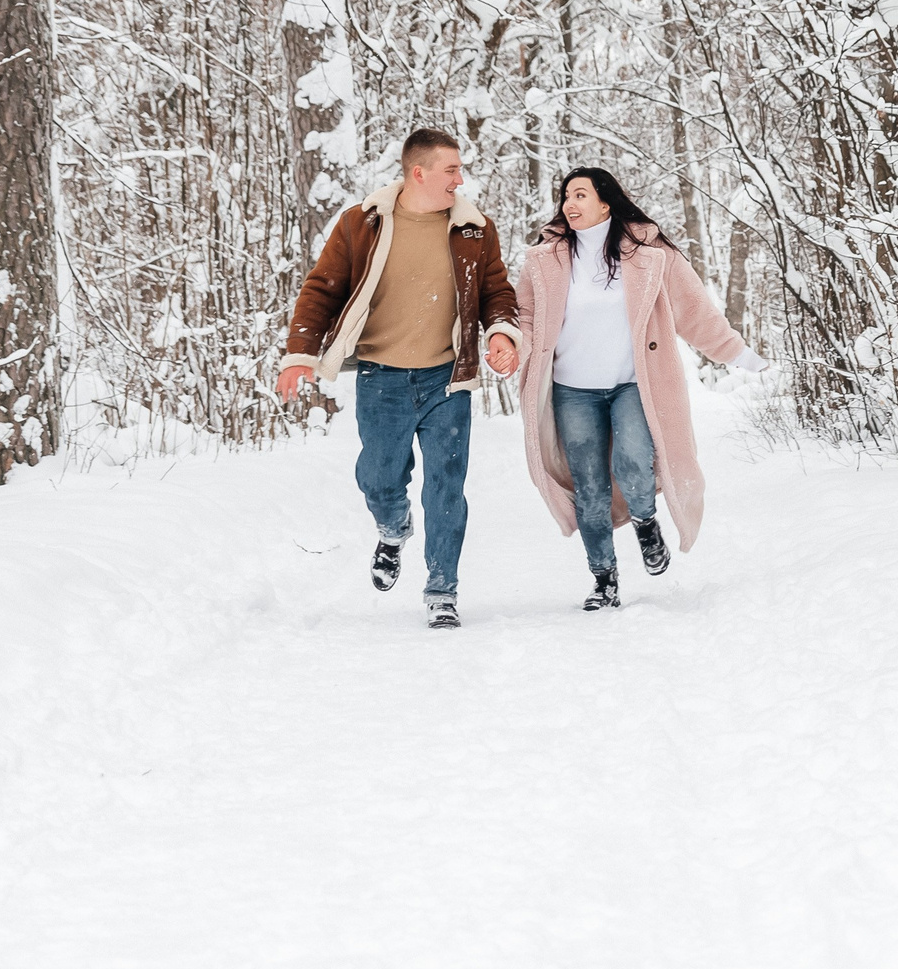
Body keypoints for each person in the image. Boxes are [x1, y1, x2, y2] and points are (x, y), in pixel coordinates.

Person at [276, 127, 521, 630]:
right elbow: (322, 288)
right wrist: (300, 352)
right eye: (450, 169)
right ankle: (393, 527)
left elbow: (497, 289)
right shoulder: (362, 224)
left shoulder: (474, 229)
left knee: (446, 488)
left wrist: (502, 333)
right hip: (381, 377)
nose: (459, 179)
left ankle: (442, 591)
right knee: (379, 477)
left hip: (446, 380)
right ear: (419, 172)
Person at [516, 167, 767, 611]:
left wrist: (738, 353)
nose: (569, 204)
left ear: (606, 203)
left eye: (580, 195)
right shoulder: (545, 260)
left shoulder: (650, 255)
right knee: (589, 488)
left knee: (635, 463)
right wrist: (509, 350)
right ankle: (603, 580)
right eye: (565, 197)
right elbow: (526, 320)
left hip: (632, 384)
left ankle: (645, 521)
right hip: (572, 390)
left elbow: (695, 311)